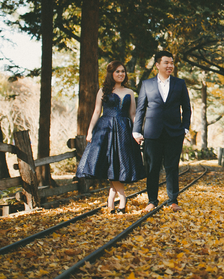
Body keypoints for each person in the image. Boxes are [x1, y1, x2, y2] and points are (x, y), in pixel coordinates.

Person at [77, 61, 145, 214]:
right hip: (106, 130)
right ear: (111, 74)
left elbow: (133, 114)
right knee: (110, 164)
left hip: (123, 131)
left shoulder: (129, 92)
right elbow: (96, 112)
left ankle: (110, 202)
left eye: (123, 71)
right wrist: (89, 131)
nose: (121, 74)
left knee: (118, 164)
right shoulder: (103, 91)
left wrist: (138, 132)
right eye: (117, 71)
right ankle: (122, 198)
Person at [134, 51, 191, 212]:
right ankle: (152, 200)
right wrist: (137, 131)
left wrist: (184, 128)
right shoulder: (147, 84)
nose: (170, 66)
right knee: (152, 168)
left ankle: (173, 200)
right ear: (157, 65)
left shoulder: (180, 84)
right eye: (166, 62)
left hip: (174, 132)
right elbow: (140, 110)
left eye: (172, 63)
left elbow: (187, 108)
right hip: (152, 133)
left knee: (172, 167)